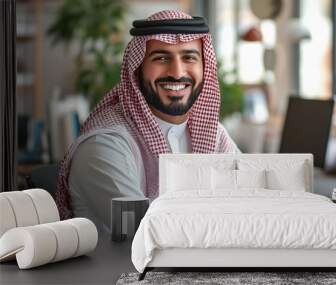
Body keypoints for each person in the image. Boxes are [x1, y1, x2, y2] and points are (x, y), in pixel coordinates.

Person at [55, 10, 240, 227]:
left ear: (204, 67)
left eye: (189, 57)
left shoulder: (213, 134)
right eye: (161, 58)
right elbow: (145, 229)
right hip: (122, 262)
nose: (177, 72)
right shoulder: (106, 144)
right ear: (137, 69)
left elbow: (251, 202)